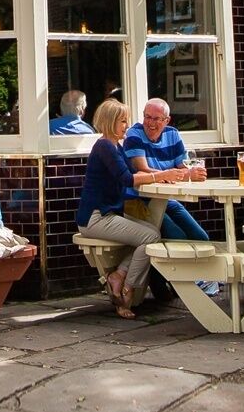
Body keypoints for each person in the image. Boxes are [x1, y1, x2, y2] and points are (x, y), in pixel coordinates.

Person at [75, 98, 172, 320]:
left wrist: (166, 176)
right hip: (95, 218)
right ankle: (126, 287)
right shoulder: (104, 146)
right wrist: (162, 176)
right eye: (122, 121)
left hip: (106, 215)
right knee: (150, 236)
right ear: (110, 122)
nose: (126, 126)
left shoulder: (115, 146)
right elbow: (128, 179)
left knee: (151, 232)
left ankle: (118, 276)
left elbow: (135, 175)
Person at [124, 98, 216, 296]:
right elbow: (143, 170)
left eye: (157, 119)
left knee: (201, 238)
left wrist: (192, 173)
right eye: (147, 117)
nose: (151, 123)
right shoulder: (134, 134)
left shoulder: (173, 135)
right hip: (142, 202)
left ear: (167, 120)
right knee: (178, 239)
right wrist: (179, 173)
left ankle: (185, 283)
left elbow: (184, 167)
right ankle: (179, 286)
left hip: (167, 200)